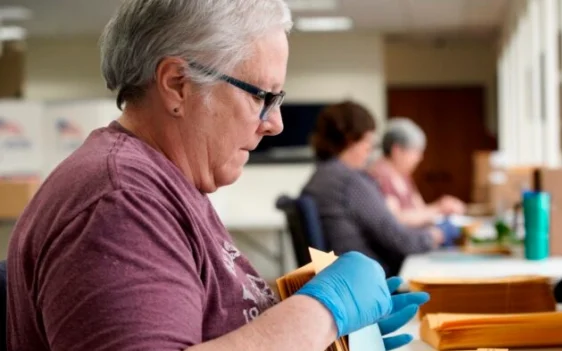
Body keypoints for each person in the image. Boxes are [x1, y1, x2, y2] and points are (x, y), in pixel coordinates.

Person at [6, 2, 429, 351]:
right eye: (261, 96)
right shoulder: (120, 200)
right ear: (177, 85)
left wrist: (320, 329)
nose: (275, 123)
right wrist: (319, 314)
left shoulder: (162, 179)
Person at [302, 101, 442, 277]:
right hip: (367, 281)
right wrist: (437, 235)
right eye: (368, 143)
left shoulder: (319, 177)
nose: (370, 151)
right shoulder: (349, 181)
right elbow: (399, 239)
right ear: (351, 140)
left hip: (340, 279)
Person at [368, 118, 466, 245]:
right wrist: (438, 208)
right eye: (416, 151)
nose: (420, 158)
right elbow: (394, 219)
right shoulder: (378, 175)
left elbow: (420, 210)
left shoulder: (403, 176)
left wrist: (442, 208)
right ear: (397, 150)